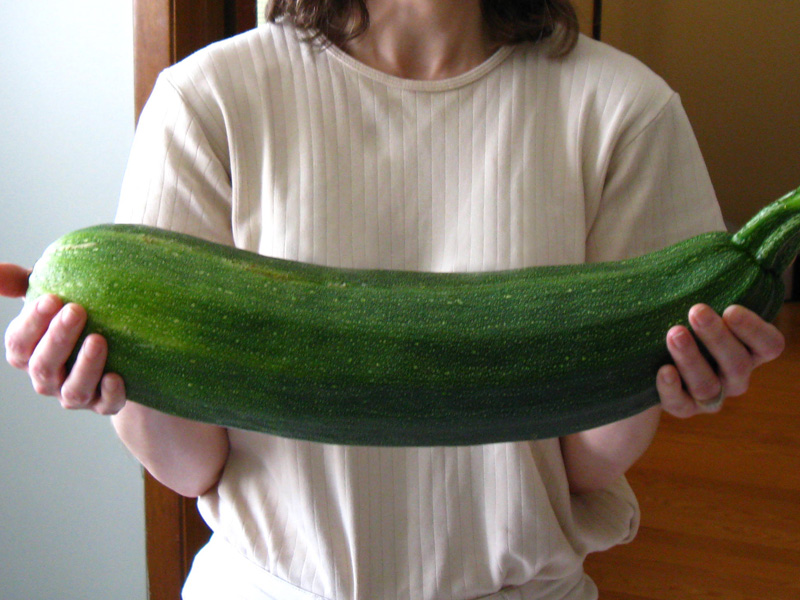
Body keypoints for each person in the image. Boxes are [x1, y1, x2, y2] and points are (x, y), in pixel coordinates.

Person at [1, 1, 786, 598]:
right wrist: (110, 376)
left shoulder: (625, 110)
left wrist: (667, 377)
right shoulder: (208, 99)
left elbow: (579, 469)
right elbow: (192, 467)